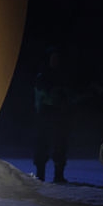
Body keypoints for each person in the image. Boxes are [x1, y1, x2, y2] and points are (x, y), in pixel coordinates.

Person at [32, 47, 75, 183]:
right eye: (53, 58)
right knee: (42, 143)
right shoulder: (43, 75)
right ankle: (40, 175)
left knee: (60, 143)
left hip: (59, 113)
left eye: (57, 58)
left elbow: (68, 94)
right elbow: (40, 92)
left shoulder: (63, 76)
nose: (55, 61)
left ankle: (58, 175)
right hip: (46, 112)